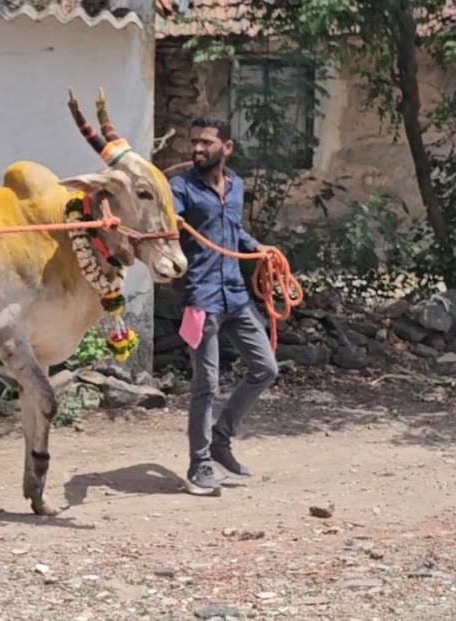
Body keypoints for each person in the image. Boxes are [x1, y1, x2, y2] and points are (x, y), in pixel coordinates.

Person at [171, 115, 280, 497]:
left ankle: (221, 440)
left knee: (266, 368)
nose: (197, 148)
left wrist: (257, 248)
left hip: (235, 294)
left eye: (206, 142)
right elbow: (165, 226)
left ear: (227, 148)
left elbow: (232, 230)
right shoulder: (180, 188)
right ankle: (199, 464)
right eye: (194, 142)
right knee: (207, 384)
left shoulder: (236, 187)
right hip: (200, 299)